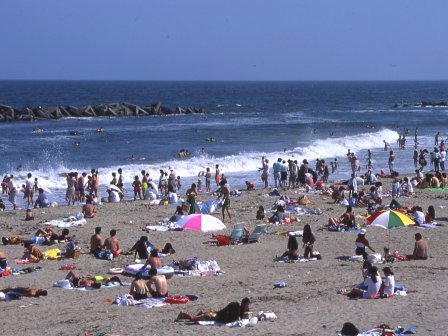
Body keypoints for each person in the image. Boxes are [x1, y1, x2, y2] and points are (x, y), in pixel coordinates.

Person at [176, 297, 250, 324]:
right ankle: (183, 313)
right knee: (194, 319)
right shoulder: (235, 305)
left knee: (194, 319)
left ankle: (183, 317)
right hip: (213, 316)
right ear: (244, 304)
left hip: (215, 314)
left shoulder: (241, 311)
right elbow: (224, 311)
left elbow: (244, 317)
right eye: (247, 305)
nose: (248, 307)